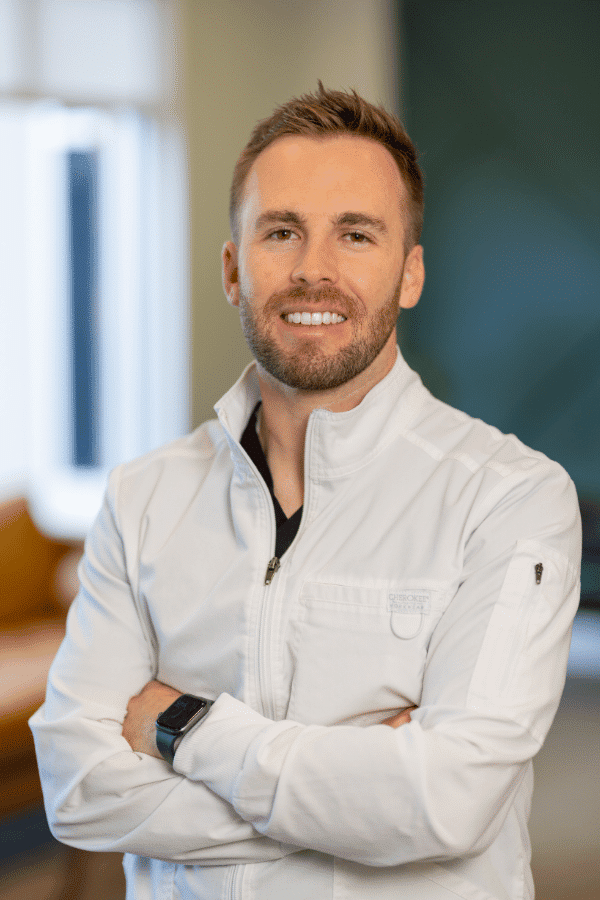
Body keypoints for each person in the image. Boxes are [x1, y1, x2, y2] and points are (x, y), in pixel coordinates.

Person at [31, 84, 581, 900]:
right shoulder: (143, 498)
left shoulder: (510, 499)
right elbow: (77, 791)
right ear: (232, 268)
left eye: (356, 234)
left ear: (410, 273)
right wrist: (357, 808)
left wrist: (182, 726)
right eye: (281, 231)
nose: (314, 269)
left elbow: (447, 799)